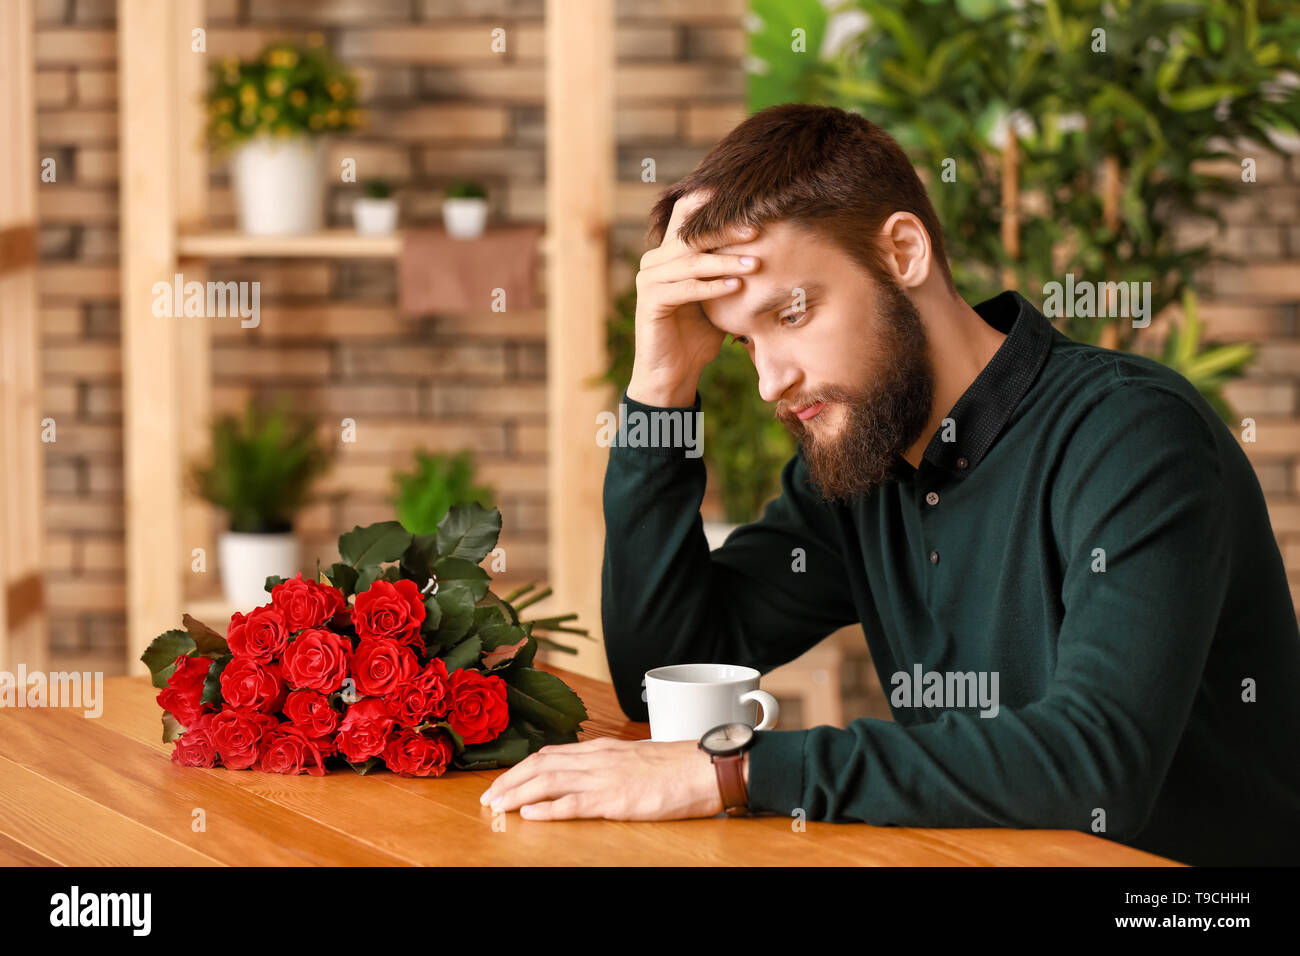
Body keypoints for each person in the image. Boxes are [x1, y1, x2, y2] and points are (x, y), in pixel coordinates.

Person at [478, 103, 1300, 866]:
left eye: (790, 314)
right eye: (741, 343)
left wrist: (730, 771)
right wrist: (660, 388)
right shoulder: (867, 457)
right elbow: (671, 668)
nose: (770, 381)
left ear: (902, 251)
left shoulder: (1133, 436)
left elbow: (1097, 768)